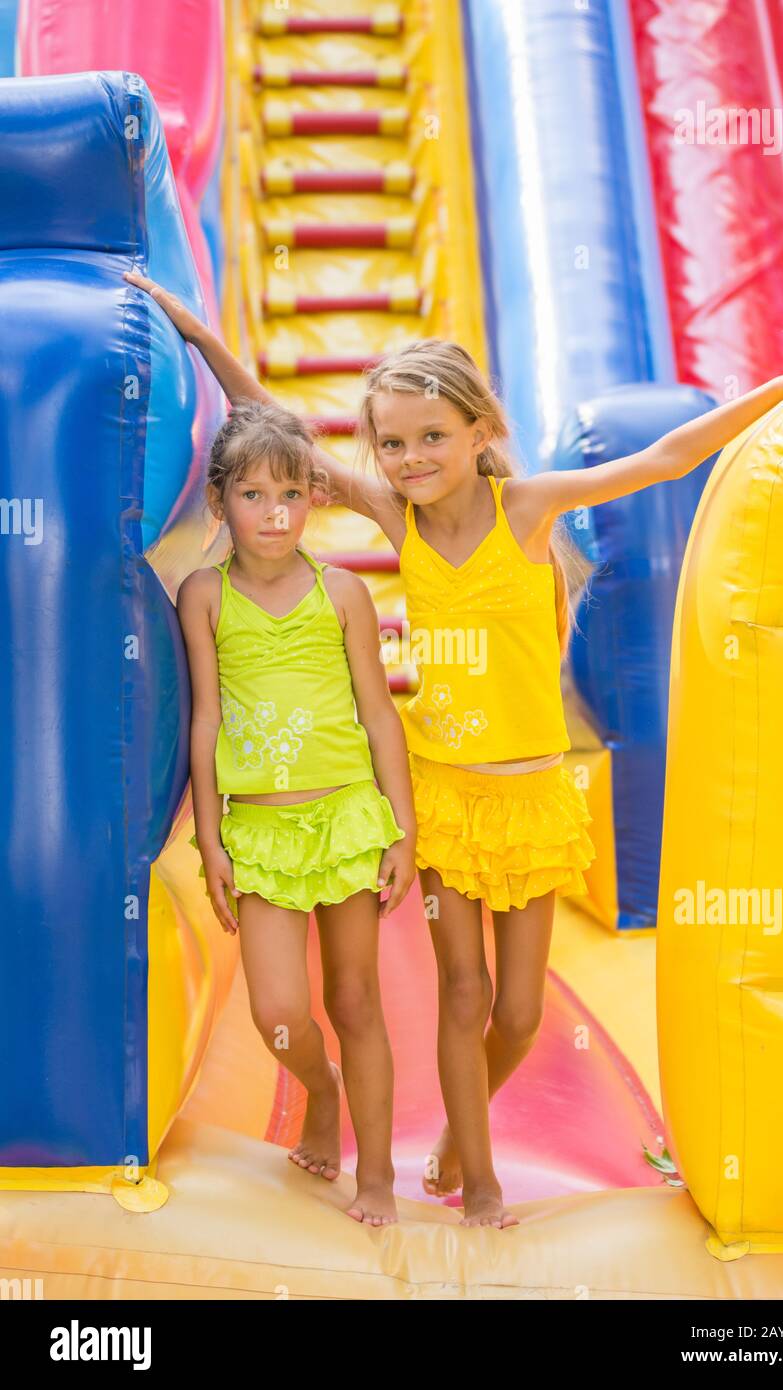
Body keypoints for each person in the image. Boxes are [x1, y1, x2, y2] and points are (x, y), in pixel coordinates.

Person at [124, 267, 783, 1228]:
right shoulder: (401, 522)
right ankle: (476, 1180)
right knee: (463, 994)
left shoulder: (529, 509)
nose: (409, 458)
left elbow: (669, 457)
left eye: (432, 437)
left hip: (533, 801)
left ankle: (449, 1141)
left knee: (517, 1014)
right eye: (391, 444)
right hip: (445, 798)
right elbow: (281, 429)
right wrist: (199, 333)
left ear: (482, 432)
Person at [173, 393, 416, 1227]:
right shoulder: (205, 596)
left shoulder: (343, 592)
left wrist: (401, 831)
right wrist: (211, 843)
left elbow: (380, 716)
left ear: (315, 498)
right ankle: (323, 1087)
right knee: (277, 1010)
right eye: (253, 495)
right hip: (261, 831)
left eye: (291, 494)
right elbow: (204, 720)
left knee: (355, 1002)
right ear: (221, 503)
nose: (274, 515)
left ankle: (376, 1174)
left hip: (347, 816)